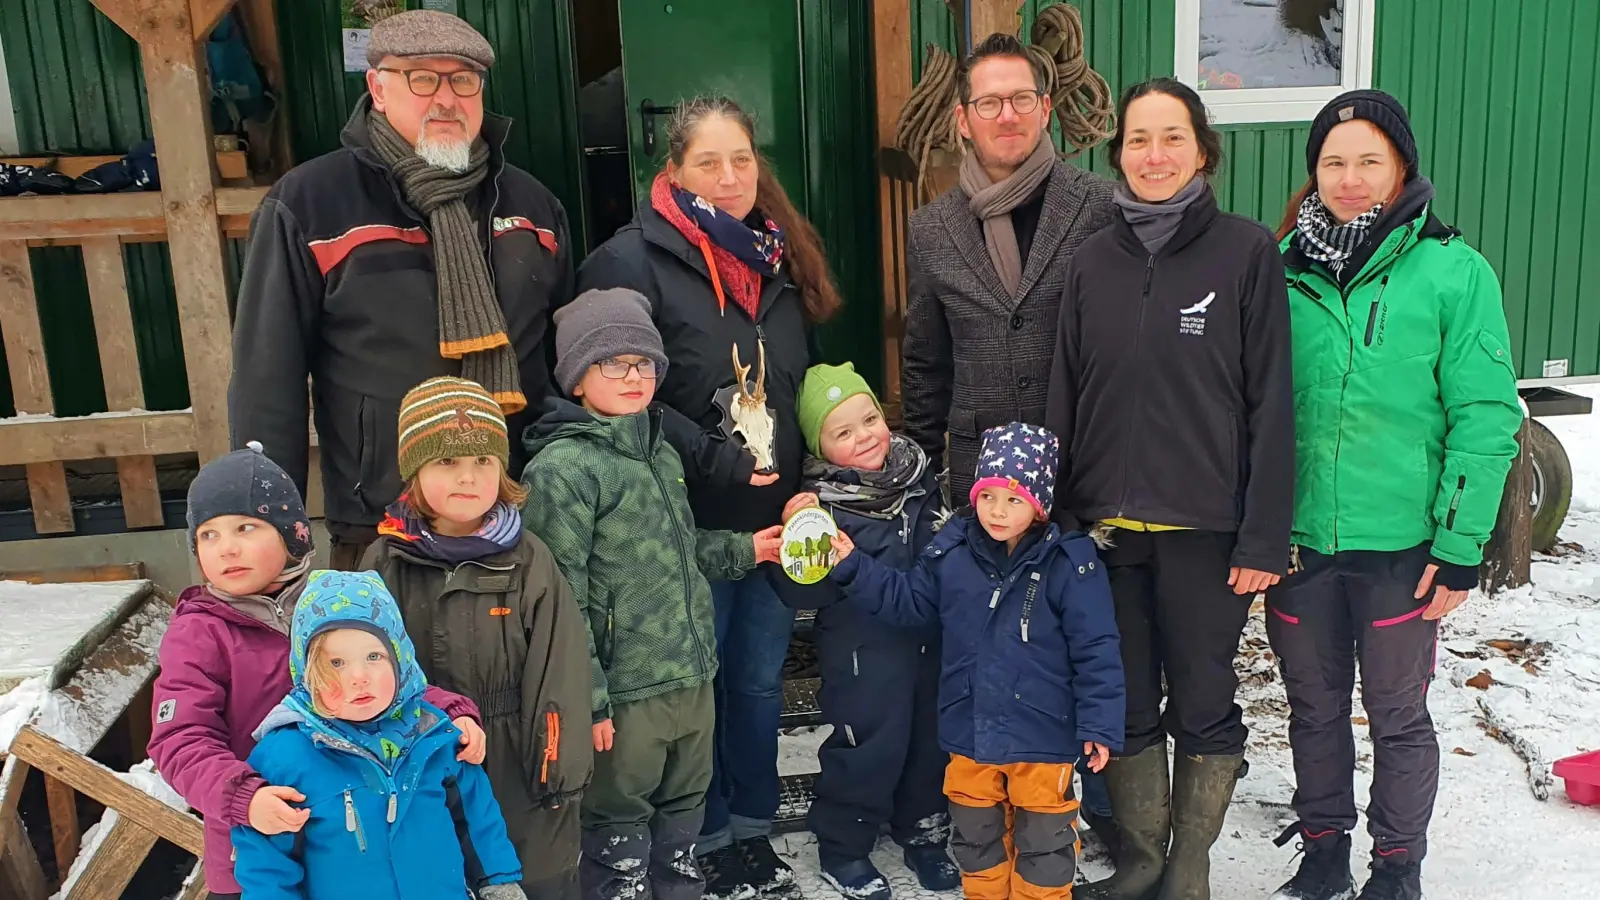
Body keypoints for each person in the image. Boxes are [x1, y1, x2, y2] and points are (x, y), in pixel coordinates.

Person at [575, 95, 843, 900]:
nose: (729, 179)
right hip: (680, 530)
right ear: (673, 170)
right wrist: (709, 459)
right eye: (707, 163)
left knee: (758, 683)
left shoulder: (777, 261)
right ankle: (707, 834)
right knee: (698, 691)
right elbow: (613, 392)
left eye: (742, 161)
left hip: (774, 525)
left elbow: (795, 390)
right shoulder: (630, 263)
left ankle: (754, 828)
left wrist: (810, 488)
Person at [1264, 90, 1521, 900]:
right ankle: (1323, 852)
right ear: (1313, 173)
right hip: (1302, 543)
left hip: (1403, 551)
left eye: (1368, 159)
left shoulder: (1453, 271)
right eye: (1333, 162)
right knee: (1312, 709)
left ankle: (1397, 865)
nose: (1348, 177)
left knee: (1398, 714)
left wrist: (1458, 547)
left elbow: (1483, 416)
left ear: (1402, 166)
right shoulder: (1279, 272)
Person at [228, 9, 574, 570]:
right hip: (382, 523)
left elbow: (565, 360)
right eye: (422, 78)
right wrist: (267, 523)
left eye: (463, 79)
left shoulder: (531, 206)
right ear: (377, 88)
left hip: (521, 511)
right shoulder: (312, 204)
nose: (445, 98)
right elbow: (269, 378)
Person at [521, 287, 785, 900]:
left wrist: (750, 550)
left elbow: (682, 549)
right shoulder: (563, 470)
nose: (634, 375)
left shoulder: (659, 451)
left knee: (683, 827)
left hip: (689, 680)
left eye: (644, 362)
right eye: (613, 362)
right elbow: (562, 599)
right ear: (577, 379)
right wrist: (589, 698)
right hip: (625, 695)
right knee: (619, 832)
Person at [148, 445, 483, 900]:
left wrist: (451, 714)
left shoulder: (337, 602)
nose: (226, 547)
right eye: (208, 535)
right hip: (261, 846)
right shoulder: (199, 634)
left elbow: (394, 681)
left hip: (354, 841)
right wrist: (244, 798)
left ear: (293, 536)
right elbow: (180, 740)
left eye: (246, 527)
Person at [826, 422, 1124, 900]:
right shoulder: (953, 552)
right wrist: (852, 564)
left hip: (1044, 735)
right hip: (970, 730)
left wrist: (1099, 724)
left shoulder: (1070, 563)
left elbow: (1097, 650)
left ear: (1039, 504)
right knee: (976, 838)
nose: (997, 512)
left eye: (1014, 500)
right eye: (988, 497)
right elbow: (907, 600)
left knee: (1044, 845)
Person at [360, 375, 593, 900]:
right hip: (419, 757)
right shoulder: (385, 562)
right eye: (447, 463)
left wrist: (558, 770)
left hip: (520, 759)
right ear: (414, 471)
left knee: (532, 878)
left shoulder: (529, 559)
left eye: (483, 462)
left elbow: (561, 670)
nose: (468, 478)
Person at [768, 363, 959, 900]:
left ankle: (923, 833)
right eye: (842, 433)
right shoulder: (820, 509)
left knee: (929, 744)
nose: (864, 438)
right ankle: (845, 845)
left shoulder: (920, 480)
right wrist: (794, 543)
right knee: (867, 749)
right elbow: (799, 593)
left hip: (927, 645)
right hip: (861, 656)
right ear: (820, 448)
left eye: (869, 419)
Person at [900, 32, 1116, 506]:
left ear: (1044, 109)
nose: (1008, 115)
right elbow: (925, 366)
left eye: (1021, 99)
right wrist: (918, 483)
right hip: (981, 480)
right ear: (963, 120)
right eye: (989, 103)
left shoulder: (1100, 206)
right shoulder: (931, 228)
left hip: (1081, 467)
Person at [231, 570, 526, 900]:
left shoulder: (433, 736)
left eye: (374, 657)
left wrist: (498, 881)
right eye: (336, 663)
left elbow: (476, 817)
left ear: (401, 660)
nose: (358, 677)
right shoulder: (285, 756)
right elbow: (267, 863)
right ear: (307, 672)